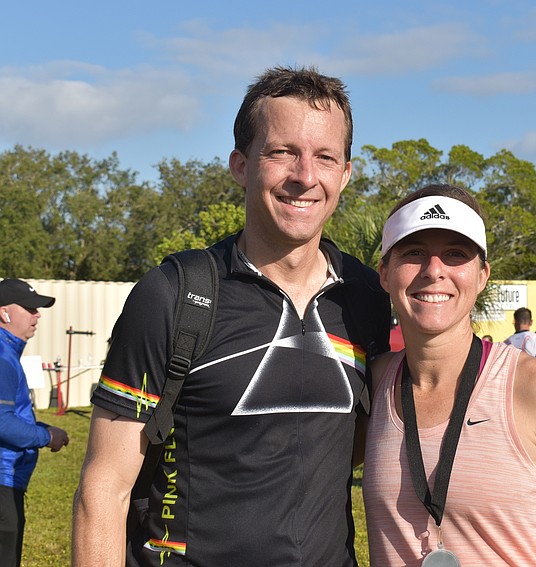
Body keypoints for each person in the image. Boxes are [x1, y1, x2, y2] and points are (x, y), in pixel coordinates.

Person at [72, 66, 391, 566]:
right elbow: (104, 488)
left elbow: (352, 446)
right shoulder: (173, 294)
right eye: (282, 151)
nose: (305, 176)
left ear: (345, 173)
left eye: (325, 157)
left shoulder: (367, 297)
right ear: (241, 165)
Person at [363, 184, 536, 566]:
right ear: (384, 273)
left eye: (455, 254)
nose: (434, 270)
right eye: (413, 252)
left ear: (482, 275)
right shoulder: (375, 383)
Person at [0, 279, 70, 567]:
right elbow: (2, 424)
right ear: (3, 313)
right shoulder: (3, 358)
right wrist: (47, 435)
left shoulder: (8, 354)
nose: (37, 315)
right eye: (30, 308)